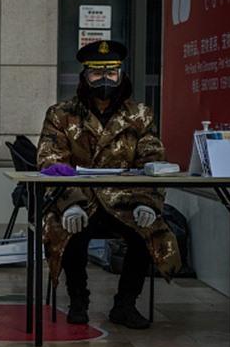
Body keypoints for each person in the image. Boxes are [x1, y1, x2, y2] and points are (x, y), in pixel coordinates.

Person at [37, 40, 181, 330]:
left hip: (125, 200)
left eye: (111, 73)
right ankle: (78, 301)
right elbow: (50, 161)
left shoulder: (140, 114)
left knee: (147, 234)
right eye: (96, 73)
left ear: (121, 75)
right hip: (81, 199)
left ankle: (125, 305)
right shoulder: (61, 114)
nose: (104, 79)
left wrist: (147, 202)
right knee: (70, 232)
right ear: (84, 76)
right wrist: (70, 203)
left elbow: (153, 161)